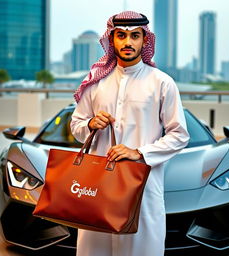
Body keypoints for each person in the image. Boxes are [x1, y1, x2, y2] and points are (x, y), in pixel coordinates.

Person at [71, 10, 190, 256]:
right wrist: (91, 124)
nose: (127, 42)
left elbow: (179, 135)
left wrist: (138, 152)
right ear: (111, 39)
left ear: (145, 40)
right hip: (98, 185)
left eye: (135, 36)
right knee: (95, 249)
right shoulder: (95, 83)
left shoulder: (162, 83)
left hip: (142, 186)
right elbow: (76, 126)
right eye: (121, 36)